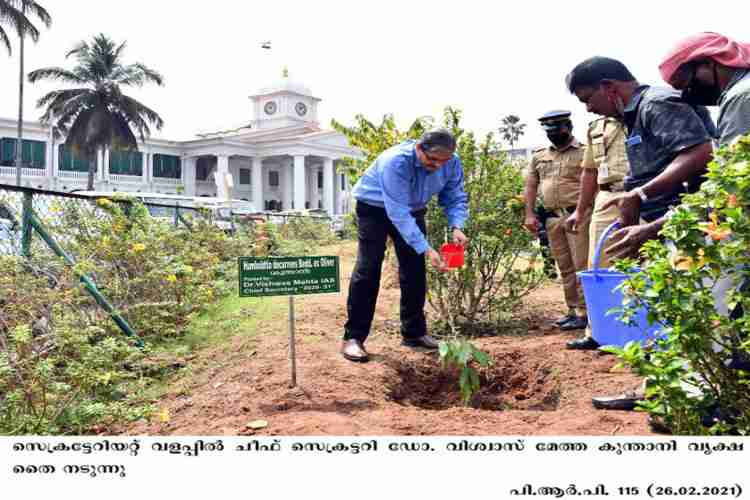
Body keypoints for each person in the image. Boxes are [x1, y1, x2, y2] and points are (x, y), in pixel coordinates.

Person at [565, 56, 716, 410]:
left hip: (686, 230)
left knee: (688, 313)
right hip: (660, 228)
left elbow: (700, 152)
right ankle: (659, 389)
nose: (589, 109)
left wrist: (641, 195)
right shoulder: (633, 116)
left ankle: (682, 397)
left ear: (609, 87)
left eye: (588, 100)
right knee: (663, 312)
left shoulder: (657, 104)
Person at [341, 129, 468, 363]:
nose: (437, 166)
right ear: (419, 148)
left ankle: (414, 333)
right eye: (432, 159)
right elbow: (397, 212)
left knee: (415, 271)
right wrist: (427, 248)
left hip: (413, 208)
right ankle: (353, 338)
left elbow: (454, 196)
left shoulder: (451, 162)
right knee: (368, 270)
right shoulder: (395, 161)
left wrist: (457, 226)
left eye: (444, 161)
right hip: (374, 208)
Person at [563, 115, 631, 350]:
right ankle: (597, 332)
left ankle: (647, 333)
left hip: (643, 192)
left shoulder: (640, 115)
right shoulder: (596, 127)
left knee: (646, 263)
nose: (588, 106)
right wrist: (580, 211)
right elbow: (589, 171)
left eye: (589, 97)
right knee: (597, 266)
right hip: (606, 196)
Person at [524, 110, 589, 331]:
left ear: (568, 127)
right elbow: (531, 184)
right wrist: (529, 214)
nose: (552, 134)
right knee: (565, 266)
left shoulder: (584, 152)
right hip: (552, 218)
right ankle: (573, 309)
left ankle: (585, 311)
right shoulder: (540, 155)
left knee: (581, 265)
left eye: (557, 130)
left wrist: (581, 210)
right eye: (548, 131)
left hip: (578, 216)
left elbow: (593, 182)